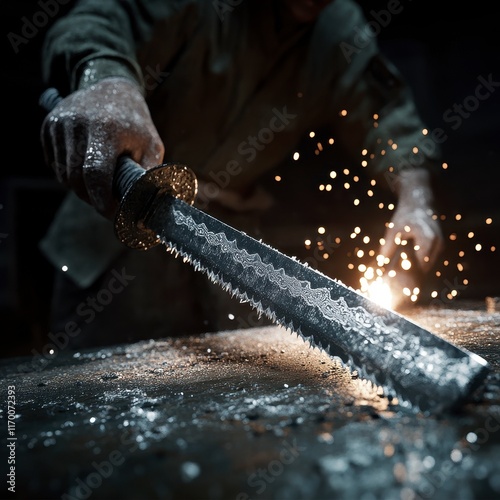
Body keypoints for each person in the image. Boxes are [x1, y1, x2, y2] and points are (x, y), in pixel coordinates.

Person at [39, 0, 444, 348]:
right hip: (113, 233)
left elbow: (385, 111)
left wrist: (414, 199)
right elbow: (98, 19)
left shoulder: (339, 27)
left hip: (225, 246)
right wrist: (106, 82)